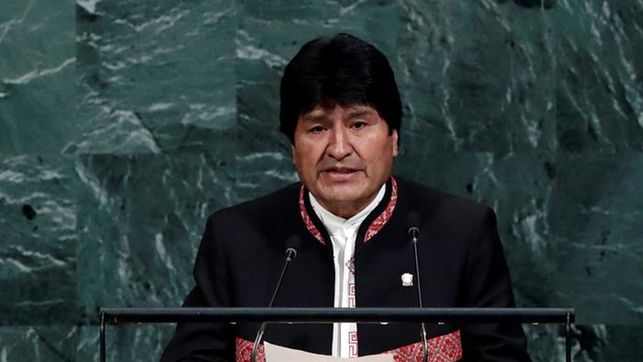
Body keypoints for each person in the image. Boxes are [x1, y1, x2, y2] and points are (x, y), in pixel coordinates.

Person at [161, 33, 531, 362]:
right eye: (318, 127)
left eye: (358, 124)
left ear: (394, 138)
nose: (338, 148)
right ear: (293, 146)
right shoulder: (237, 236)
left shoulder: (460, 232)